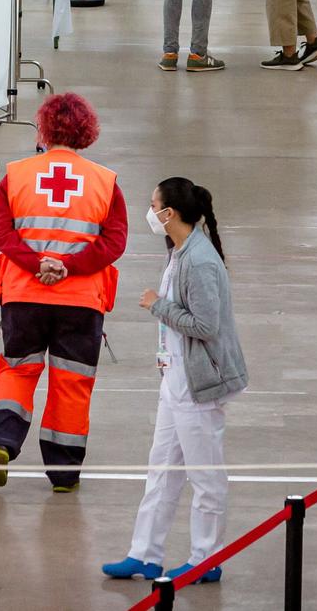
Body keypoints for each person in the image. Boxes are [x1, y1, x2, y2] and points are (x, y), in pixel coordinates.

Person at [0, 92, 130, 491]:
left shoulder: (16, 175)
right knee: (71, 383)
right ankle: (63, 472)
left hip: (23, 297)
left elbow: (0, 233)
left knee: (18, 369)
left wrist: (37, 263)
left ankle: (2, 441)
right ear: (87, 132)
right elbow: (114, 242)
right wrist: (69, 266)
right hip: (80, 302)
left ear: (45, 129)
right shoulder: (105, 182)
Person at [104, 177, 246, 585]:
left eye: (153, 205)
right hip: (176, 382)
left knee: (205, 475)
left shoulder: (199, 261)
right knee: (162, 470)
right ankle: (145, 554)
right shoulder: (180, 251)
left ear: (169, 213)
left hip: (197, 386)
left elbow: (206, 324)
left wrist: (158, 306)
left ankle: (207, 558)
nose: (149, 212)